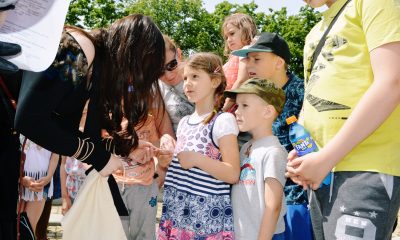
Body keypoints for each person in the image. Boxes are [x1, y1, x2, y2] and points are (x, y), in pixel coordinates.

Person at [15, 14, 166, 221]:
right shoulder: (78, 50)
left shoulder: (97, 68)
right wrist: (100, 158)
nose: (133, 80)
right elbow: (30, 119)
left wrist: (126, 147)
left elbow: (74, 131)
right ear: (130, 53)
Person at [286, 0, 400, 239]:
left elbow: (392, 82)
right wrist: (303, 152)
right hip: (321, 173)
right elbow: (312, 98)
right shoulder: (314, 32)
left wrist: (326, 157)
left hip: (365, 166)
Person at [232, 32, 311, 239]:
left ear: (279, 62)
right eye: (247, 59)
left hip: (297, 199)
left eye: (257, 59)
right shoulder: (249, 96)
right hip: (258, 200)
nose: (249, 65)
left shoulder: (304, 93)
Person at [158, 52, 240, 239]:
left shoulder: (223, 121)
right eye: (185, 77)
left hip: (203, 218)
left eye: (195, 76)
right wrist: (167, 158)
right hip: (178, 213)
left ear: (214, 81)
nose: (187, 83)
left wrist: (196, 159)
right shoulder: (185, 123)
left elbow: (233, 173)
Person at [226, 77, 287, 240]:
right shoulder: (246, 147)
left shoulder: (273, 152)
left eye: (245, 105)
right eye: (237, 105)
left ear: (267, 111)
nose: (237, 111)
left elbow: (273, 205)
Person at [113, 112, 173, 240]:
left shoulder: (148, 119)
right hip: (115, 186)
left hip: (145, 188)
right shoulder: (106, 118)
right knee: (116, 234)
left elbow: (157, 148)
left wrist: (163, 156)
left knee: (144, 235)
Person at [20, 139, 59, 235]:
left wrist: (49, 177)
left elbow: (56, 153)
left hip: (41, 181)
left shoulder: (52, 126)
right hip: (19, 178)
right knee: (16, 224)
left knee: (29, 227)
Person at [158, 34, 194, 133]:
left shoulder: (202, 72)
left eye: (172, 65)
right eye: (159, 72)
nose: (169, 76)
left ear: (179, 53)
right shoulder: (156, 89)